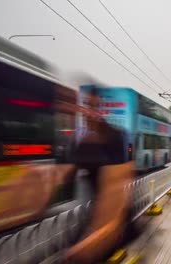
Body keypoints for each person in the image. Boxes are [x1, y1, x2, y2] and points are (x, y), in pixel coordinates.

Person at [65, 87, 138, 264]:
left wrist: (100, 234)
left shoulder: (116, 138)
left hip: (113, 222)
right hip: (93, 218)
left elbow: (117, 193)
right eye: (84, 105)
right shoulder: (81, 143)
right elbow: (62, 176)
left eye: (93, 106)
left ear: (100, 108)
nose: (87, 112)